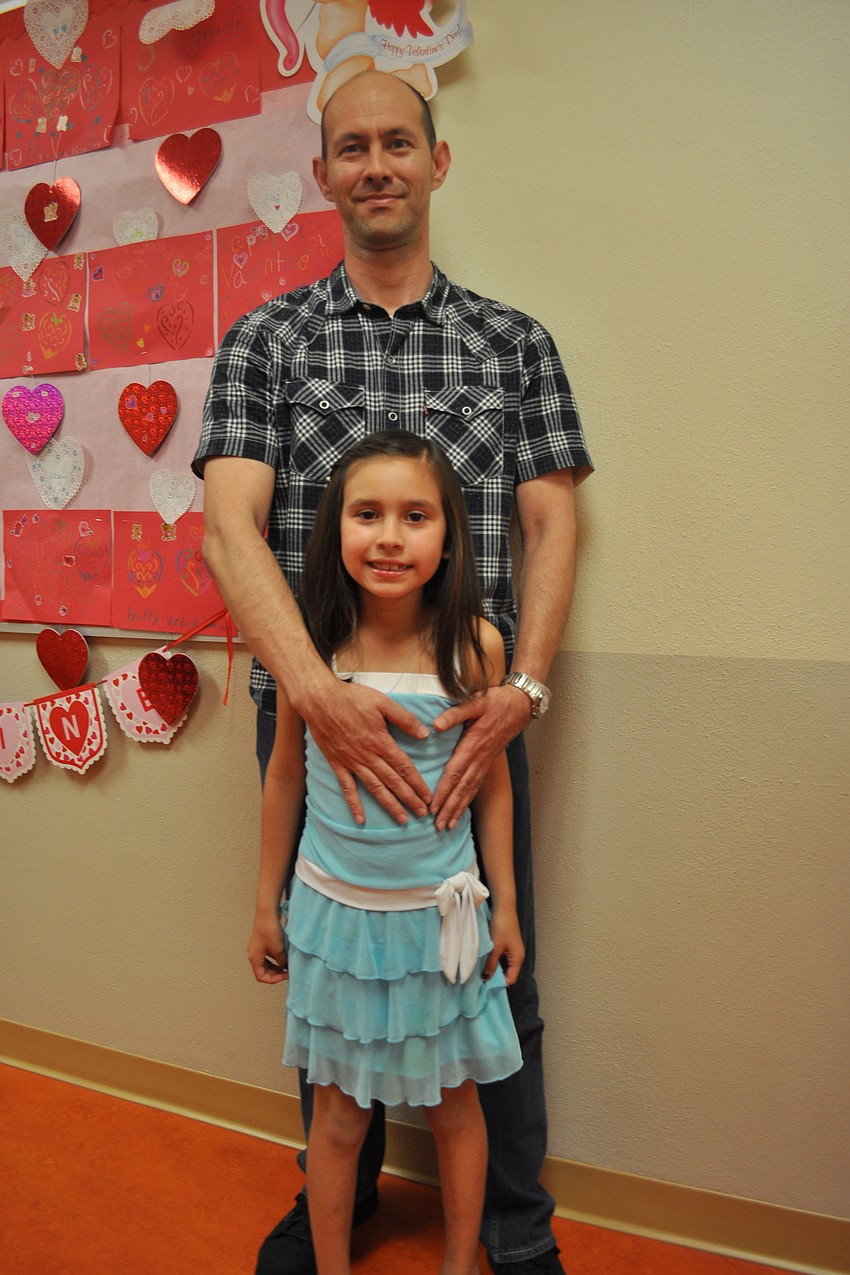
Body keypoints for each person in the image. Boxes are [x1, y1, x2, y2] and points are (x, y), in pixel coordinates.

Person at [193, 69, 592, 1275]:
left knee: (488, 975)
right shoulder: (267, 342)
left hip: (463, 718)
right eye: (350, 147)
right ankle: (340, 1204)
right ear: (322, 173)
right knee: (331, 972)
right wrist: (313, 694)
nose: (376, 164)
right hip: (310, 715)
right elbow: (228, 526)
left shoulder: (515, 346)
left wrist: (518, 691)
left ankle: (513, 1235)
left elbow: (553, 525)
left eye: (398, 144)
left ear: (437, 161)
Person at [251, 430, 525, 1275]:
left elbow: (494, 786)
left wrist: (507, 905)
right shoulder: (314, 646)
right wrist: (266, 902)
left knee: (453, 1110)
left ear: (449, 535)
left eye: (415, 516)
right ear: (336, 527)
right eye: (367, 514)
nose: (390, 536)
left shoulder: (476, 645)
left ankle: (457, 1262)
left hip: (437, 925)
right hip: (335, 920)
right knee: (336, 1120)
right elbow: (286, 781)